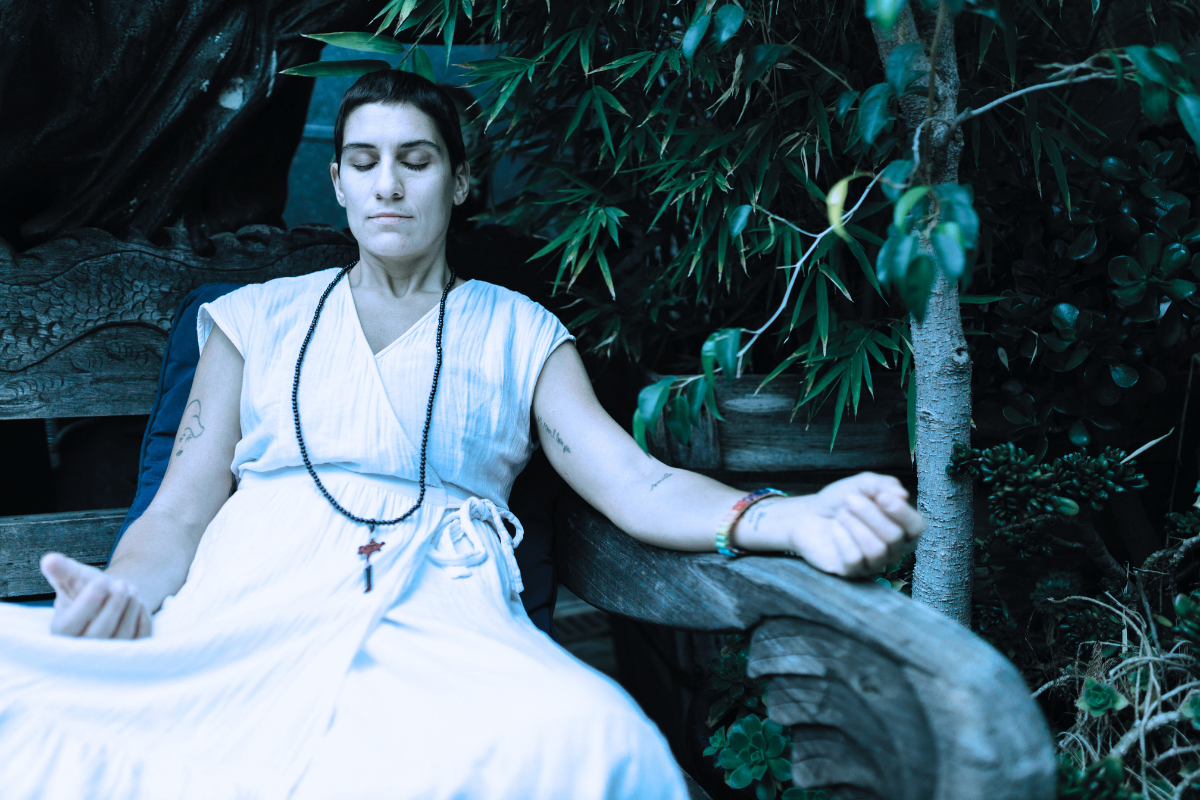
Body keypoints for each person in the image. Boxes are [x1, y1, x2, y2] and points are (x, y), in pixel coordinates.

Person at [0, 70, 924, 800]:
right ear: (337, 183)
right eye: (362, 161)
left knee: (593, 741)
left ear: (461, 177)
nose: (388, 183)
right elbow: (181, 511)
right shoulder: (254, 320)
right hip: (253, 597)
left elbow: (636, 483)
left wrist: (790, 516)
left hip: (441, 609)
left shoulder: (520, 332)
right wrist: (122, 590)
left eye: (416, 158)